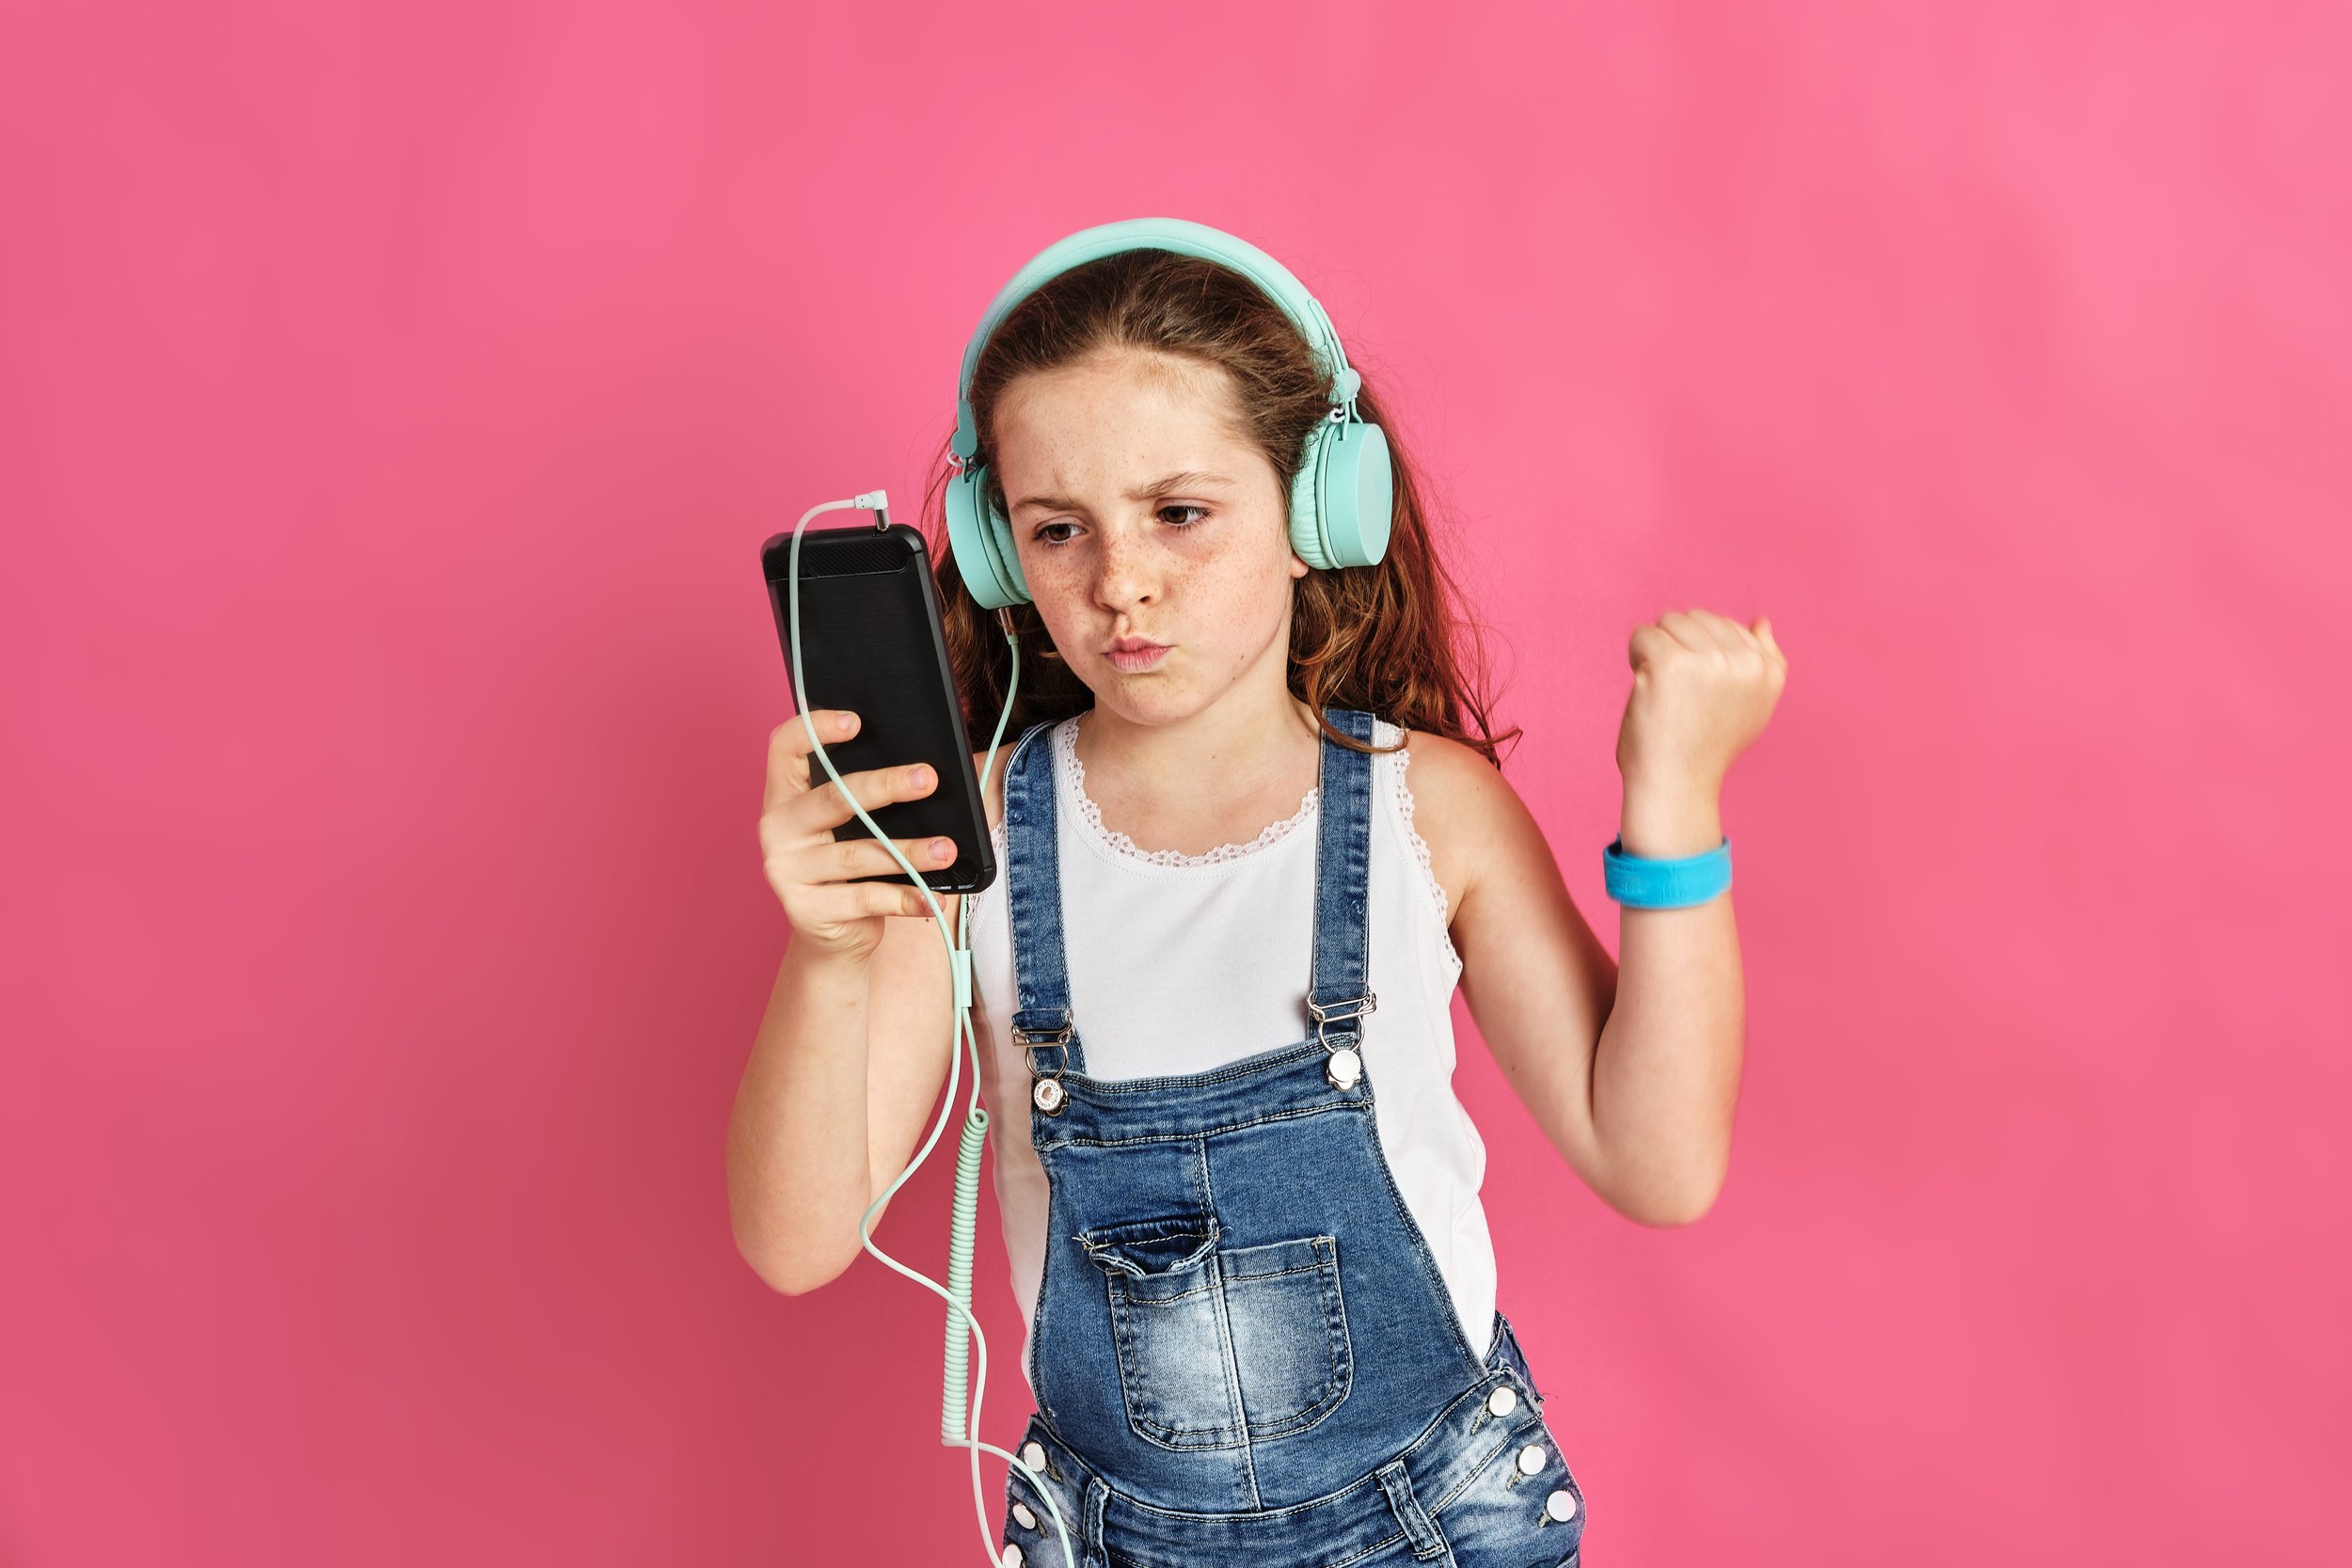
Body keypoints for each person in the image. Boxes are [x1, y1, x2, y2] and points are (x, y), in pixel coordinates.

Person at [731, 227, 1788, 1567]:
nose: (1121, 580)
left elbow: (1658, 1163)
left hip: (1442, 1530)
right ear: (1002, 556)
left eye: (1179, 513)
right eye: (1058, 530)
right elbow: (796, 1241)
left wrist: (1674, 799)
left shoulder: (1428, 809)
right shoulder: (970, 837)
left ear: (1318, 511)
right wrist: (829, 954)